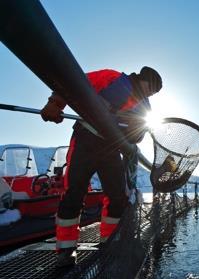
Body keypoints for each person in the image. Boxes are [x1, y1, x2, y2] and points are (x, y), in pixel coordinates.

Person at [41, 66, 162, 267]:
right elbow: (71, 81)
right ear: (144, 80)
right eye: (152, 89)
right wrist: (55, 103)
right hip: (85, 139)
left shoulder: (145, 107)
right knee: (74, 193)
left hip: (111, 149)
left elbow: (137, 136)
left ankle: (110, 243)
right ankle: (66, 251)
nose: (151, 94)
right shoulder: (111, 77)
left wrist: (135, 133)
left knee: (117, 197)